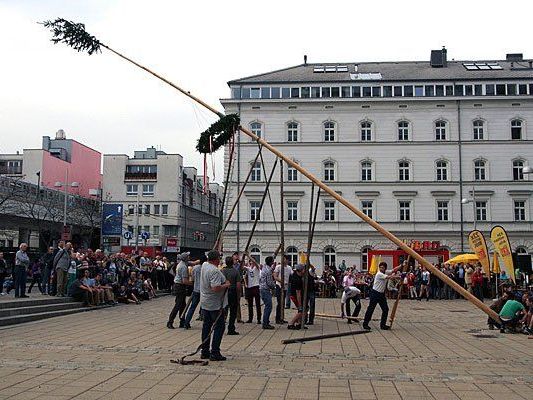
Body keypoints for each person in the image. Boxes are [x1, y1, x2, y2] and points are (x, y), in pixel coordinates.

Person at [200, 250, 230, 361]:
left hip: (205, 301)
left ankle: (205, 351)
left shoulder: (205, 265)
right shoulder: (214, 271)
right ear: (215, 259)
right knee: (219, 327)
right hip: (215, 304)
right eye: (219, 258)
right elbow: (215, 288)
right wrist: (226, 284)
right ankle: (215, 352)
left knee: (206, 326)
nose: (220, 260)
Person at [363, 261, 400, 331]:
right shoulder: (379, 274)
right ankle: (365, 324)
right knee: (371, 309)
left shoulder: (385, 272)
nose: (381, 268)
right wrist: (399, 276)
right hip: (375, 293)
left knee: (385, 309)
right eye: (380, 267)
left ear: (385, 268)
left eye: (382, 267)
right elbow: (389, 277)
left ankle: (383, 325)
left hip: (381, 294)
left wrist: (401, 265)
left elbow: (394, 270)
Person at [167, 252, 194, 329]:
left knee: (182, 305)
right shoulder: (183, 267)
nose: (189, 257)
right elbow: (185, 281)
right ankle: (170, 322)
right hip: (180, 286)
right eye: (188, 256)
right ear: (186, 258)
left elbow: (193, 263)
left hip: (179, 286)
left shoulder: (182, 263)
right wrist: (193, 283)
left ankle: (182, 321)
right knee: (178, 305)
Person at [221, 256, 241, 335]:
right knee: (233, 312)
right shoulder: (235, 272)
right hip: (232, 292)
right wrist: (238, 295)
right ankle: (231, 328)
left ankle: (220, 327)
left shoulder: (222, 271)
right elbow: (238, 285)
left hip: (224, 292)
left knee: (223, 311)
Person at [183, 257, 204, 330]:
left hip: (196, 289)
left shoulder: (195, 268)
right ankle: (206, 321)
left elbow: (193, 278)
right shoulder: (206, 268)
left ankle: (186, 322)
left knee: (192, 307)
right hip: (204, 291)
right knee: (206, 307)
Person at [273, 256, 291, 324]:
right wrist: (281, 281)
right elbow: (275, 277)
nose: (284, 260)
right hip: (279, 286)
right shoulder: (278, 267)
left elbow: (291, 275)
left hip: (285, 287)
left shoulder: (289, 268)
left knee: (283, 303)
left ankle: (282, 317)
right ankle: (278, 319)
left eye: (285, 259)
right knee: (280, 303)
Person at [259, 256, 276, 330]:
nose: (273, 262)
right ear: (270, 262)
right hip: (265, 289)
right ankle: (265, 323)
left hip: (262, 288)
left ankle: (266, 322)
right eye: (272, 261)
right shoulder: (268, 270)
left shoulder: (264, 267)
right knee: (268, 306)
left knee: (267, 306)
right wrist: (274, 286)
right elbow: (269, 282)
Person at [287, 264, 306, 330]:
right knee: (302, 311)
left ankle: (299, 324)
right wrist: (300, 304)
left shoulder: (295, 275)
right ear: (300, 270)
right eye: (303, 269)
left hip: (294, 295)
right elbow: (298, 293)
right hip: (295, 296)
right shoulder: (297, 280)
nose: (304, 271)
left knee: (301, 310)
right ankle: (291, 323)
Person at [244, 258, 261, 324]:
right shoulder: (248, 268)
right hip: (250, 287)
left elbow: (255, 262)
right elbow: (242, 266)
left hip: (256, 287)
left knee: (257, 304)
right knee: (250, 304)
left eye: (252, 261)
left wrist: (248, 256)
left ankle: (259, 319)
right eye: (250, 261)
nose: (251, 262)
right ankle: (250, 318)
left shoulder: (257, 268)